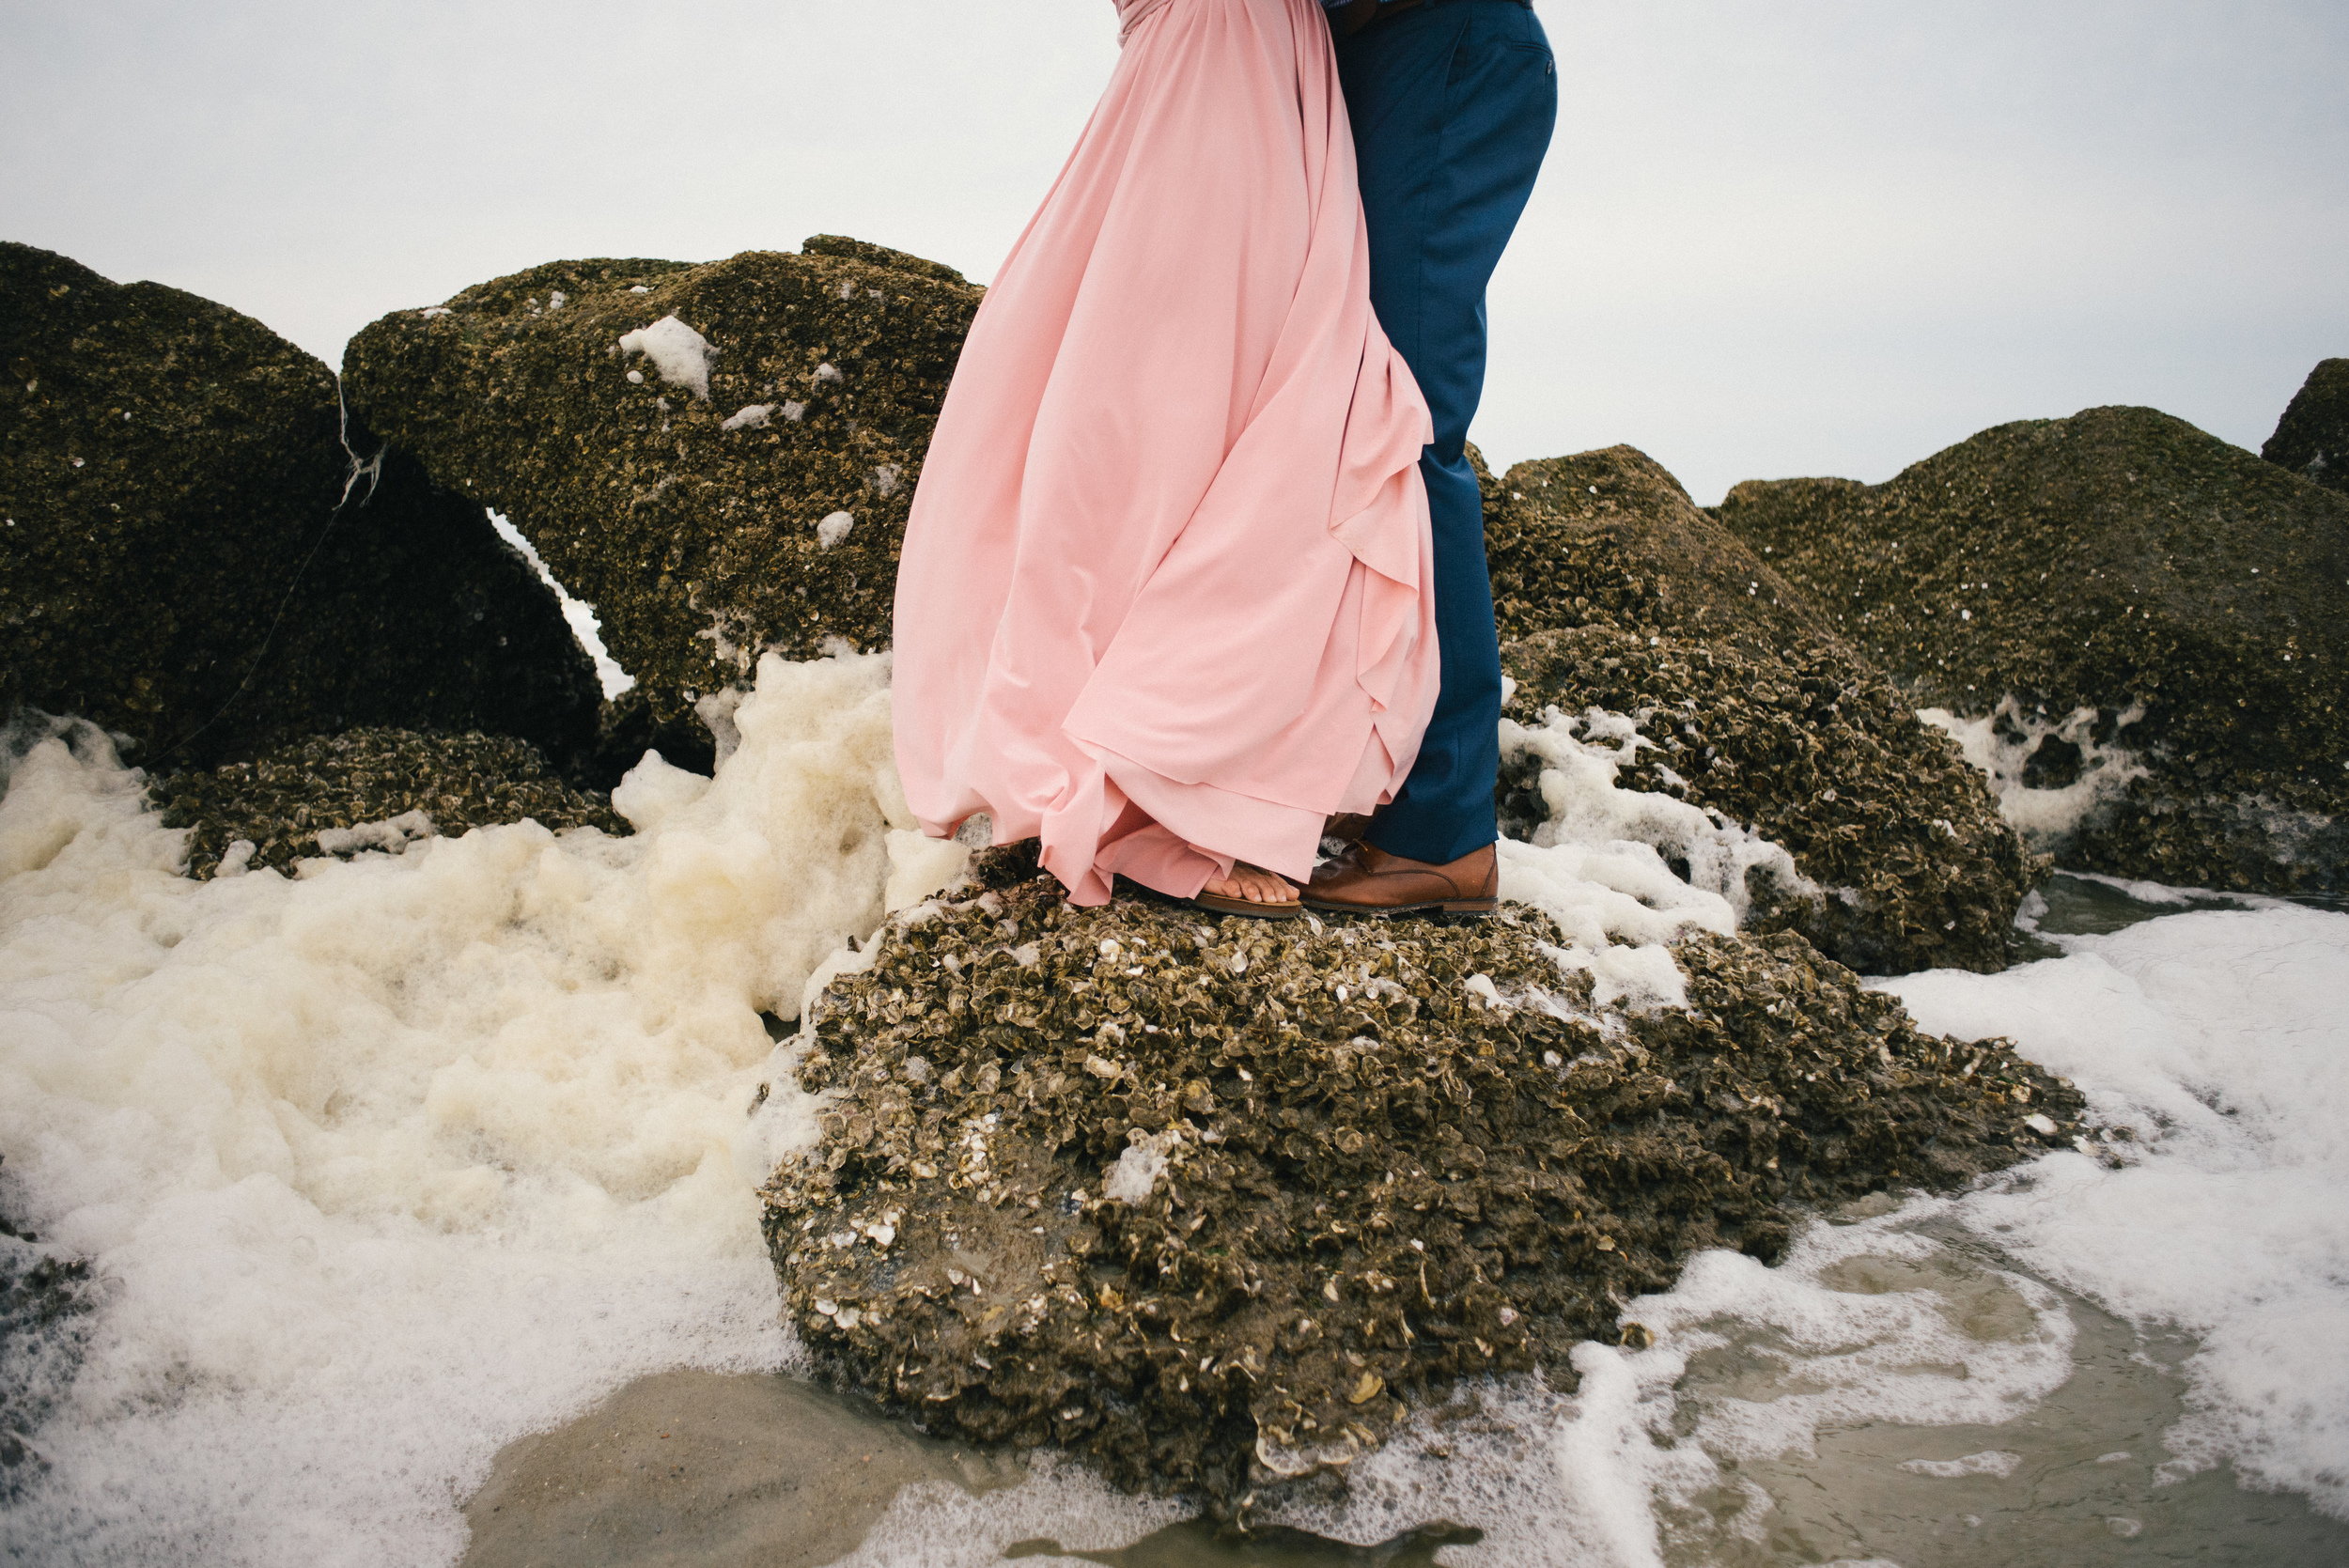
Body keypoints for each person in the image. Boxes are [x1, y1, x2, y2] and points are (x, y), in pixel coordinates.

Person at [893, 0, 1445, 920]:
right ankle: (1144, 790)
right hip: (1222, 62)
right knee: (1175, 420)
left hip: (1249, 63)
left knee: (1227, 410)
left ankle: (1164, 778)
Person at [1301, 0, 1557, 916]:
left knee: (1402, 421)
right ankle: (1368, 773)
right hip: (1387, 54)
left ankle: (1445, 831)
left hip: (1442, 43)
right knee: (1339, 410)